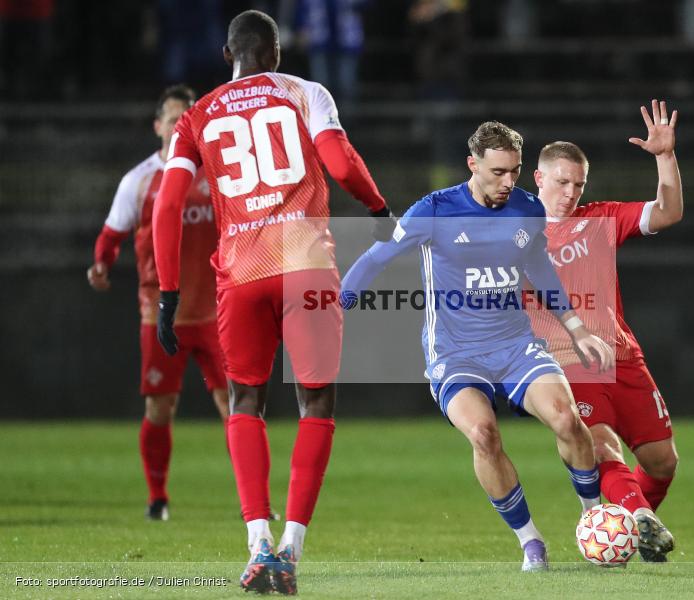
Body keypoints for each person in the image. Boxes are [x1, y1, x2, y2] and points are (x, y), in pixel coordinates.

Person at [151, 10, 395, 594]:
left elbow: (166, 206)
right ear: (276, 52)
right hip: (305, 263)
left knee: (244, 399)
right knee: (316, 404)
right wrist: (380, 212)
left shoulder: (197, 115)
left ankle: (257, 542)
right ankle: (291, 549)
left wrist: (167, 294)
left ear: (226, 52)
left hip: (240, 271)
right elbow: (339, 163)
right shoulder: (304, 92)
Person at [341, 121, 615, 571]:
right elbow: (377, 257)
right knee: (484, 435)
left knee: (567, 418)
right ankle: (531, 543)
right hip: (455, 353)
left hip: (514, 345)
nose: (509, 182)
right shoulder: (434, 210)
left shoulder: (526, 209)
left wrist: (575, 327)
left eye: (516, 171)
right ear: (473, 165)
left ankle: (594, 523)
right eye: (499, 172)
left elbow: (539, 267)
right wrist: (338, 304)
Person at [529, 99, 683, 562]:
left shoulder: (599, 219)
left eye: (578, 183)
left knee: (663, 461)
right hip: (564, 363)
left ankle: (632, 527)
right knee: (598, 443)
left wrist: (664, 157)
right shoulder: (513, 235)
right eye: (561, 181)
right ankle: (637, 517)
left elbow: (668, 212)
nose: (570, 192)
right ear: (538, 178)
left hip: (622, 357)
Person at [87, 84, 229, 522]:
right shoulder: (140, 180)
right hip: (160, 312)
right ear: (158, 126)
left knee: (238, 405)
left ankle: (255, 506)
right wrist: (101, 265)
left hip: (216, 311)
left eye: (185, 116)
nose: (178, 124)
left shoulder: (219, 173)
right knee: (160, 408)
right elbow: (111, 236)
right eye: (171, 118)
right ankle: (158, 497)